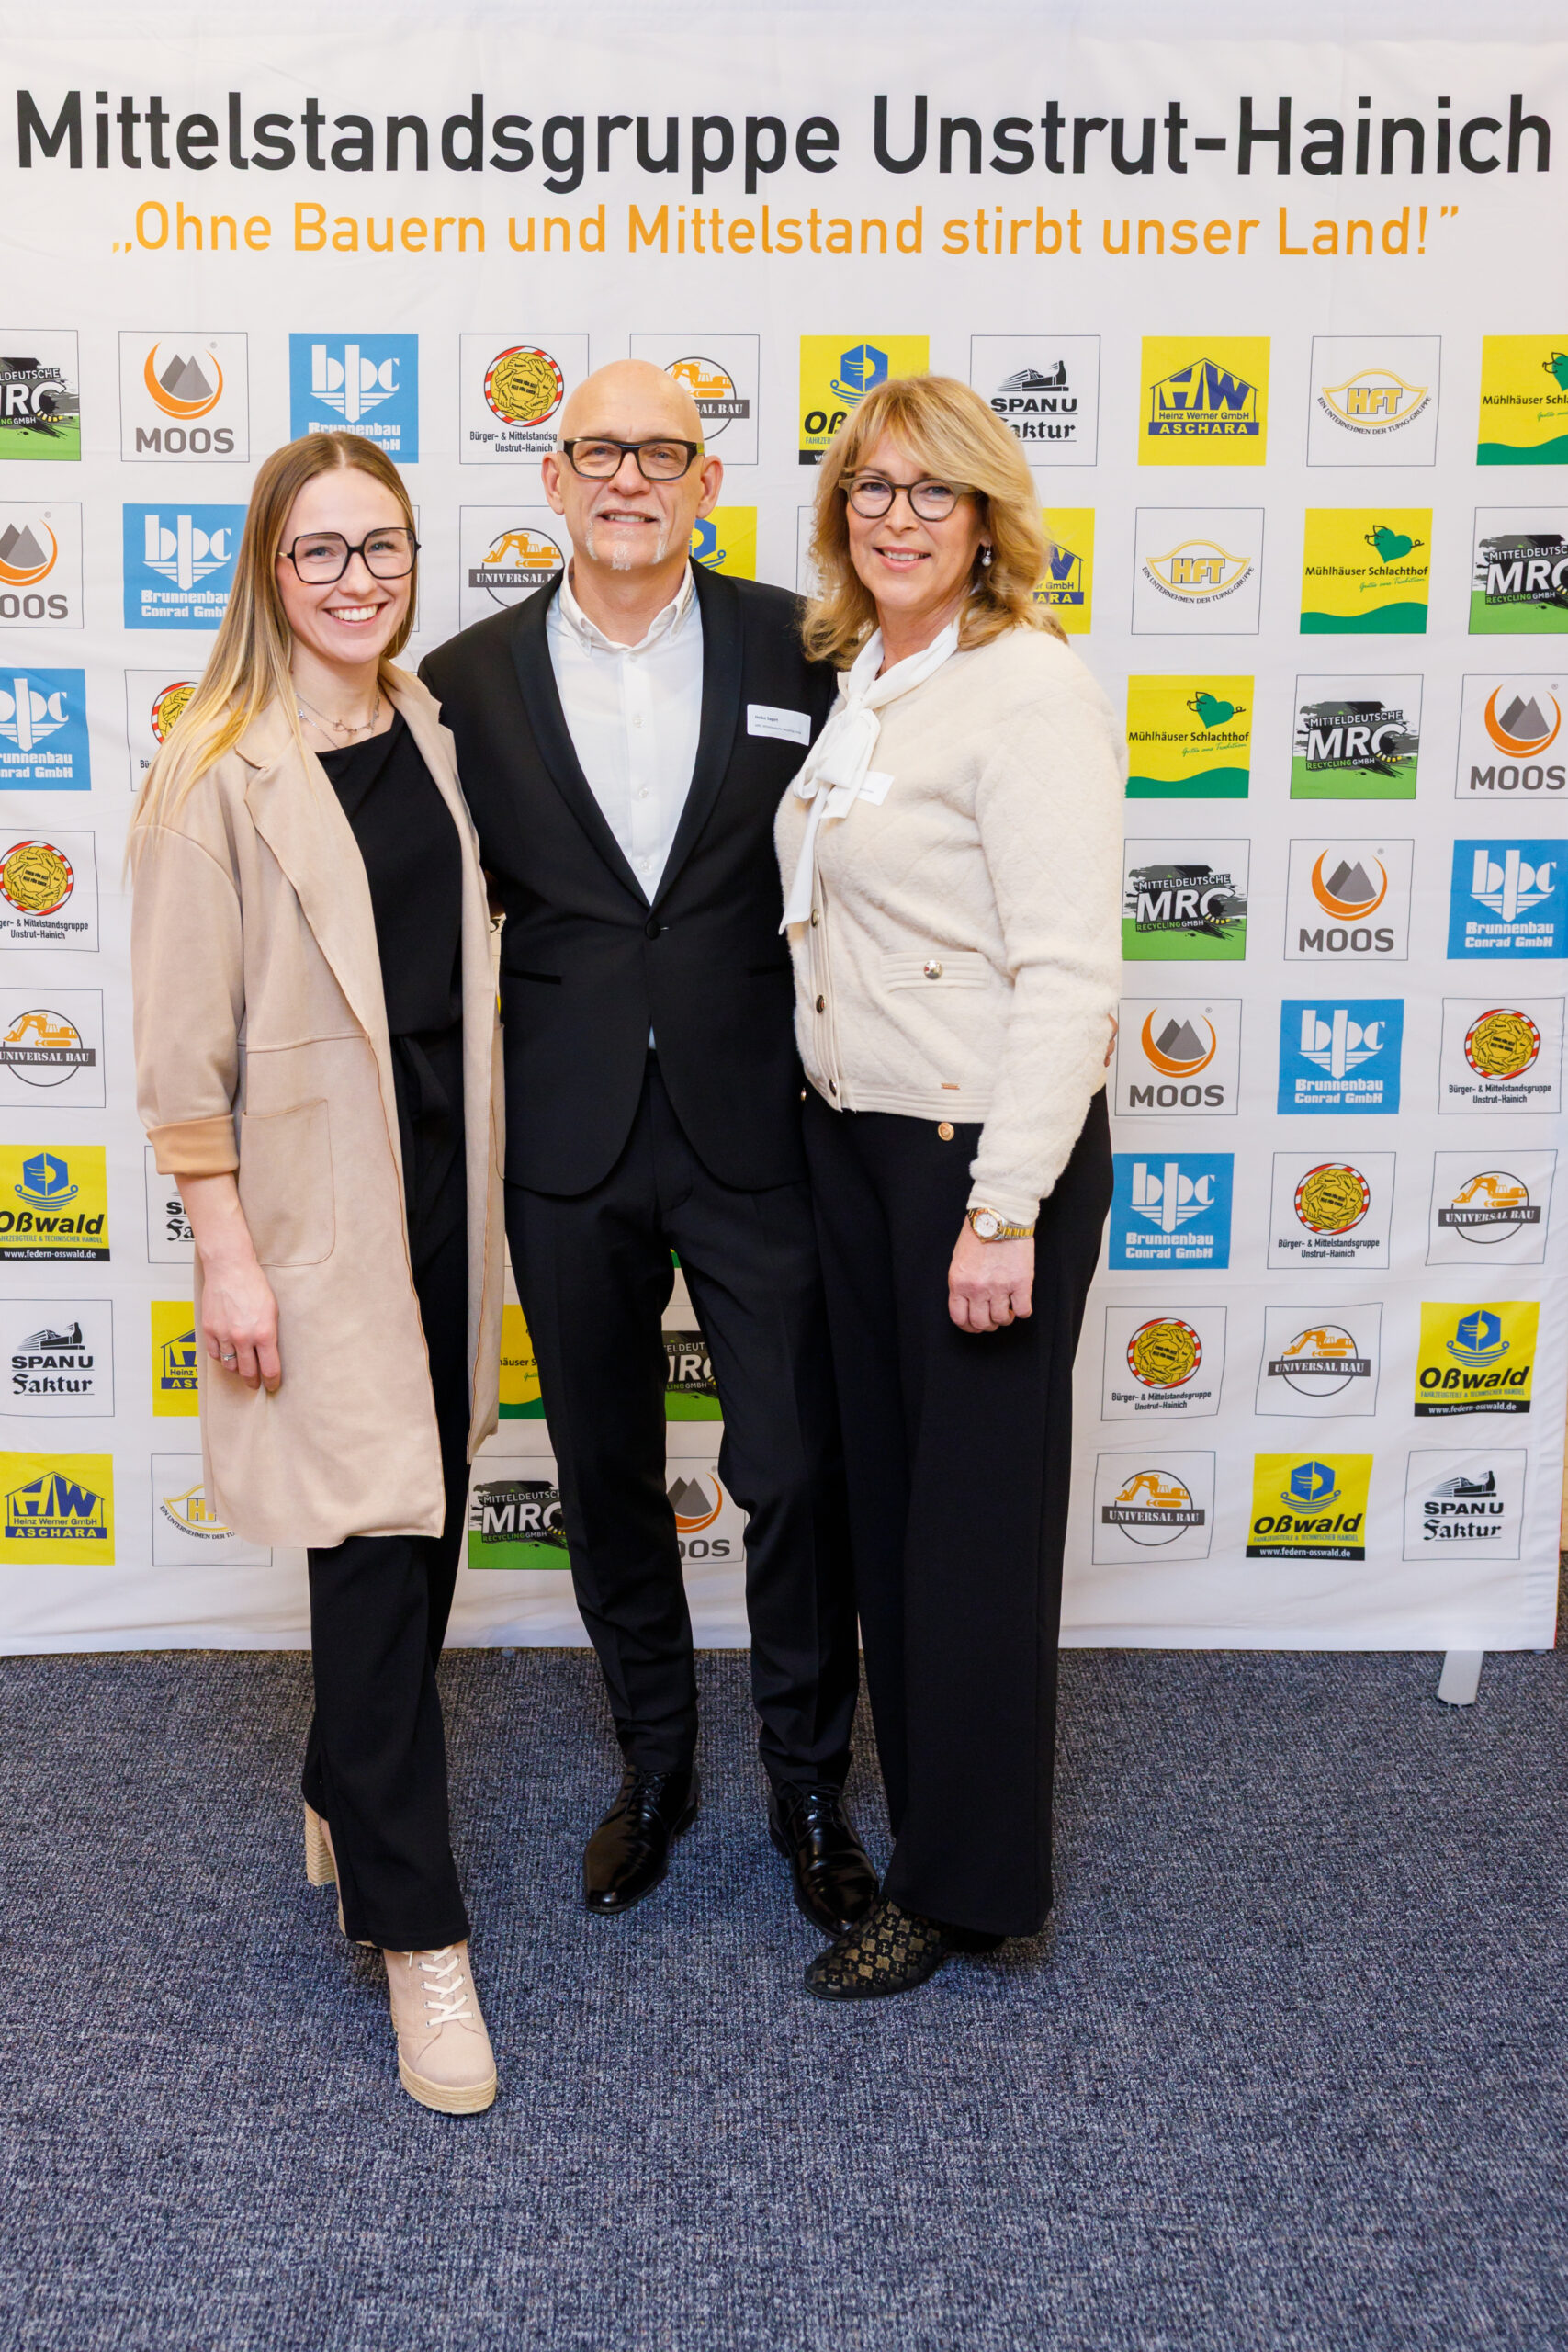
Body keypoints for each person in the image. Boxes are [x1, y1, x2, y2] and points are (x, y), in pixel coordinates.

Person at [422, 361, 875, 1936]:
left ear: (707, 481)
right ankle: (658, 1766)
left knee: (795, 1469)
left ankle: (809, 1787)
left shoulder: (803, 647)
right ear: (553, 478)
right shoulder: (462, 680)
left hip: (761, 1119)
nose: (630, 477)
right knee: (605, 1472)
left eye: (662, 452)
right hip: (567, 1134)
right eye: (600, 451)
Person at [130, 431, 506, 2112]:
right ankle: (418, 1937)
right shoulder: (213, 768)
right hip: (308, 1203)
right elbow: (177, 1058)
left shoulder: (428, 723)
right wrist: (226, 1254)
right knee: (366, 1543)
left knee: (425, 1520)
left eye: (385, 547)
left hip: (444, 1175)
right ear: (269, 572)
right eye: (323, 552)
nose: (360, 580)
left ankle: (342, 1780)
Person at [776, 374, 1122, 2000]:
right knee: (898, 1526)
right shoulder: (868, 675)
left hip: (974, 1164)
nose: (896, 516)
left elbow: (1069, 976)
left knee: (970, 1542)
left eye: (932, 490)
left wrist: (1003, 1210)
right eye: (870, 486)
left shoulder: (1027, 685)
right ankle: (930, 1840)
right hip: (859, 1148)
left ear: (986, 519)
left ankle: (968, 1892)